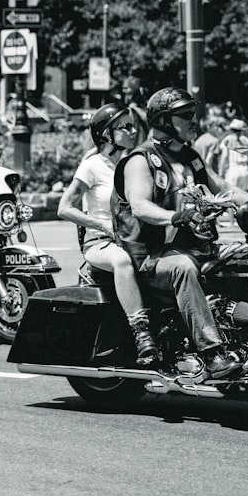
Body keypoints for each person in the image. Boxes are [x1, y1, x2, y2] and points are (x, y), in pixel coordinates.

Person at [111, 87, 248, 379]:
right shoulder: (140, 160)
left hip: (198, 248)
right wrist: (176, 216)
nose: (194, 120)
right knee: (184, 269)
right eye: (185, 115)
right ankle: (212, 353)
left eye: (194, 113)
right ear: (163, 121)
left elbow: (222, 187)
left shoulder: (191, 157)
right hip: (154, 257)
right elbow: (139, 206)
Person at [58, 104, 158, 365]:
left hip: (132, 238)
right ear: (106, 134)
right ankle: (142, 333)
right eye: (125, 127)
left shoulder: (132, 164)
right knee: (122, 261)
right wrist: (102, 226)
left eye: (133, 125)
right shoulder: (92, 166)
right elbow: (64, 208)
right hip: (100, 242)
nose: (133, 131)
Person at [216, 118, 248, 194]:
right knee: (245, 196)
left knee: (232, 196)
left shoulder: (227, 140)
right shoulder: (246, 140)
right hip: (245, 171)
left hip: (232, 171)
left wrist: (221, 172)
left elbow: (224, 157)